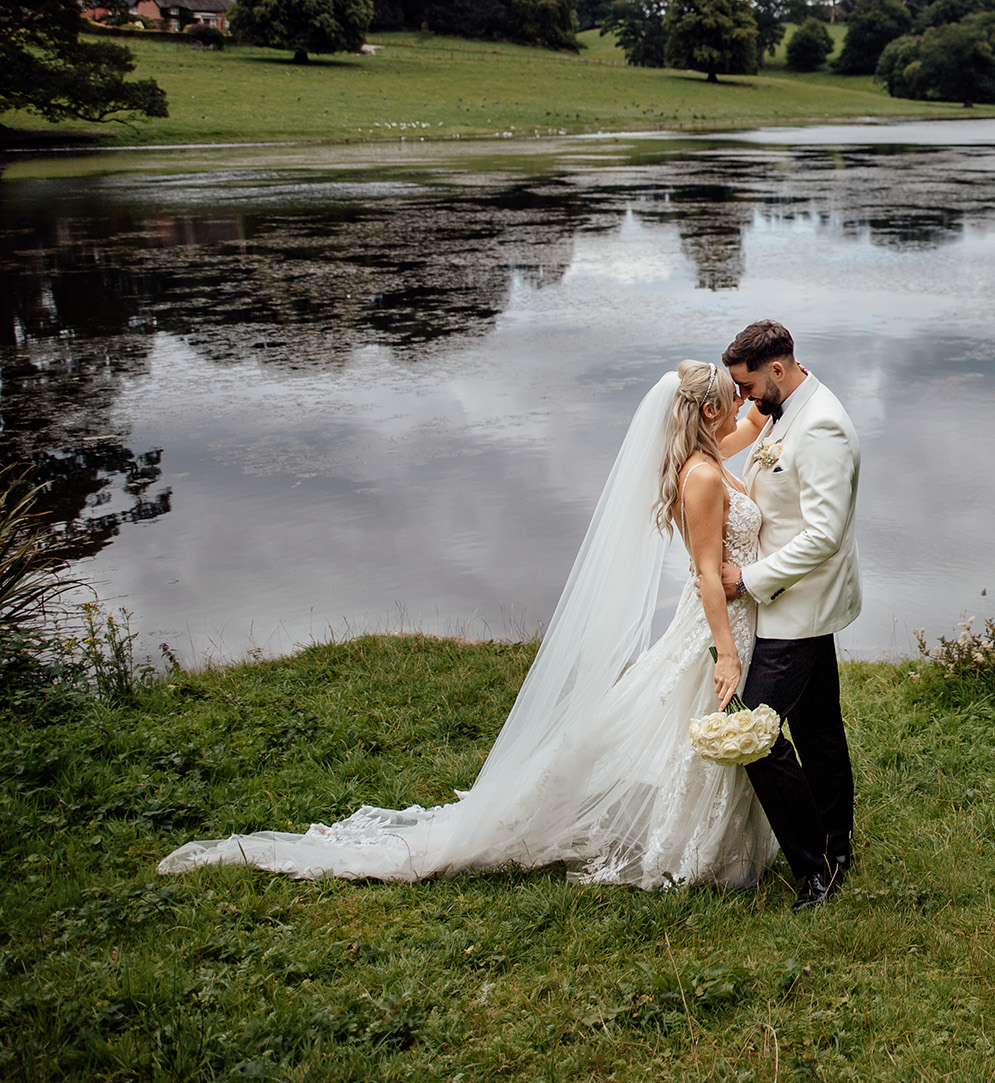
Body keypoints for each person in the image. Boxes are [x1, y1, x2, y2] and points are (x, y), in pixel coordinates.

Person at [157, 360, 779, 890]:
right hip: (714, 626)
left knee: (681, 727)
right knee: (697, 719)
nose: (738, 409)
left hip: (732, 616)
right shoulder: (699, 476)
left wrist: (790, 384)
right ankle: (697, 850)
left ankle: (716, 840)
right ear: (702, 413)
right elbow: (703, 574)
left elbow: (754, 422)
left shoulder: (707, 455)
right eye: (728, 403)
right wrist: (725, 651)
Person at [718, 320, 863, 912]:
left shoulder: (822, 424)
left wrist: (748, 579)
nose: (746, 400)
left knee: (750, 732)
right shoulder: (783, 411)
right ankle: (837, 846)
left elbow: (825, 534)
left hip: (798, 606)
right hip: (783, 605)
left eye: (749, 387)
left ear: (777, 370)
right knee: (818, 728)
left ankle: (816, 867)